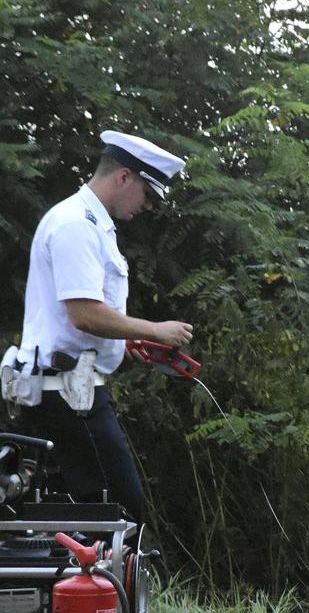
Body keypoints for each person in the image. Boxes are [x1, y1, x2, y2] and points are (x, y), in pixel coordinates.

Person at [3, 131, 193, 523]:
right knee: (121, 512)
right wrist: (156, 330)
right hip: (69, 396)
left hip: (65, 390)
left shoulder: (89, 222)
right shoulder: (78, 225)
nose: (149, 207)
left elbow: (71, 322)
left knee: (71, 513)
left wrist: (126, 341)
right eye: (148, 195)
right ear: (124, 177)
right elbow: (84, 313)